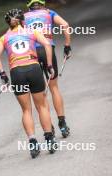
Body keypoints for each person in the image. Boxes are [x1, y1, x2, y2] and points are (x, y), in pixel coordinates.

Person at [0, 9, 57, 158]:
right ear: (23, 20)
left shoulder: (4, 38)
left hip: (17, 73)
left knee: (26, 110)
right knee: (41, 106)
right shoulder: (31, 32)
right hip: (33, 69)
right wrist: (49, 65)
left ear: (8, 23)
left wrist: (3, 74)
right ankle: (49, 138)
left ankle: (33, 141)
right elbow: (47, 45)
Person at [24, 0, 71, 138]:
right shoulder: (49, 13)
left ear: (29, 5)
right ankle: (62, 124)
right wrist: (67, 45)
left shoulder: (23, 17)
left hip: (32, 54)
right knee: (54, 87)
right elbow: (65, 25)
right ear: (42, 3)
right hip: (47, 51)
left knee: (39, 92)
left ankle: (48, 126)